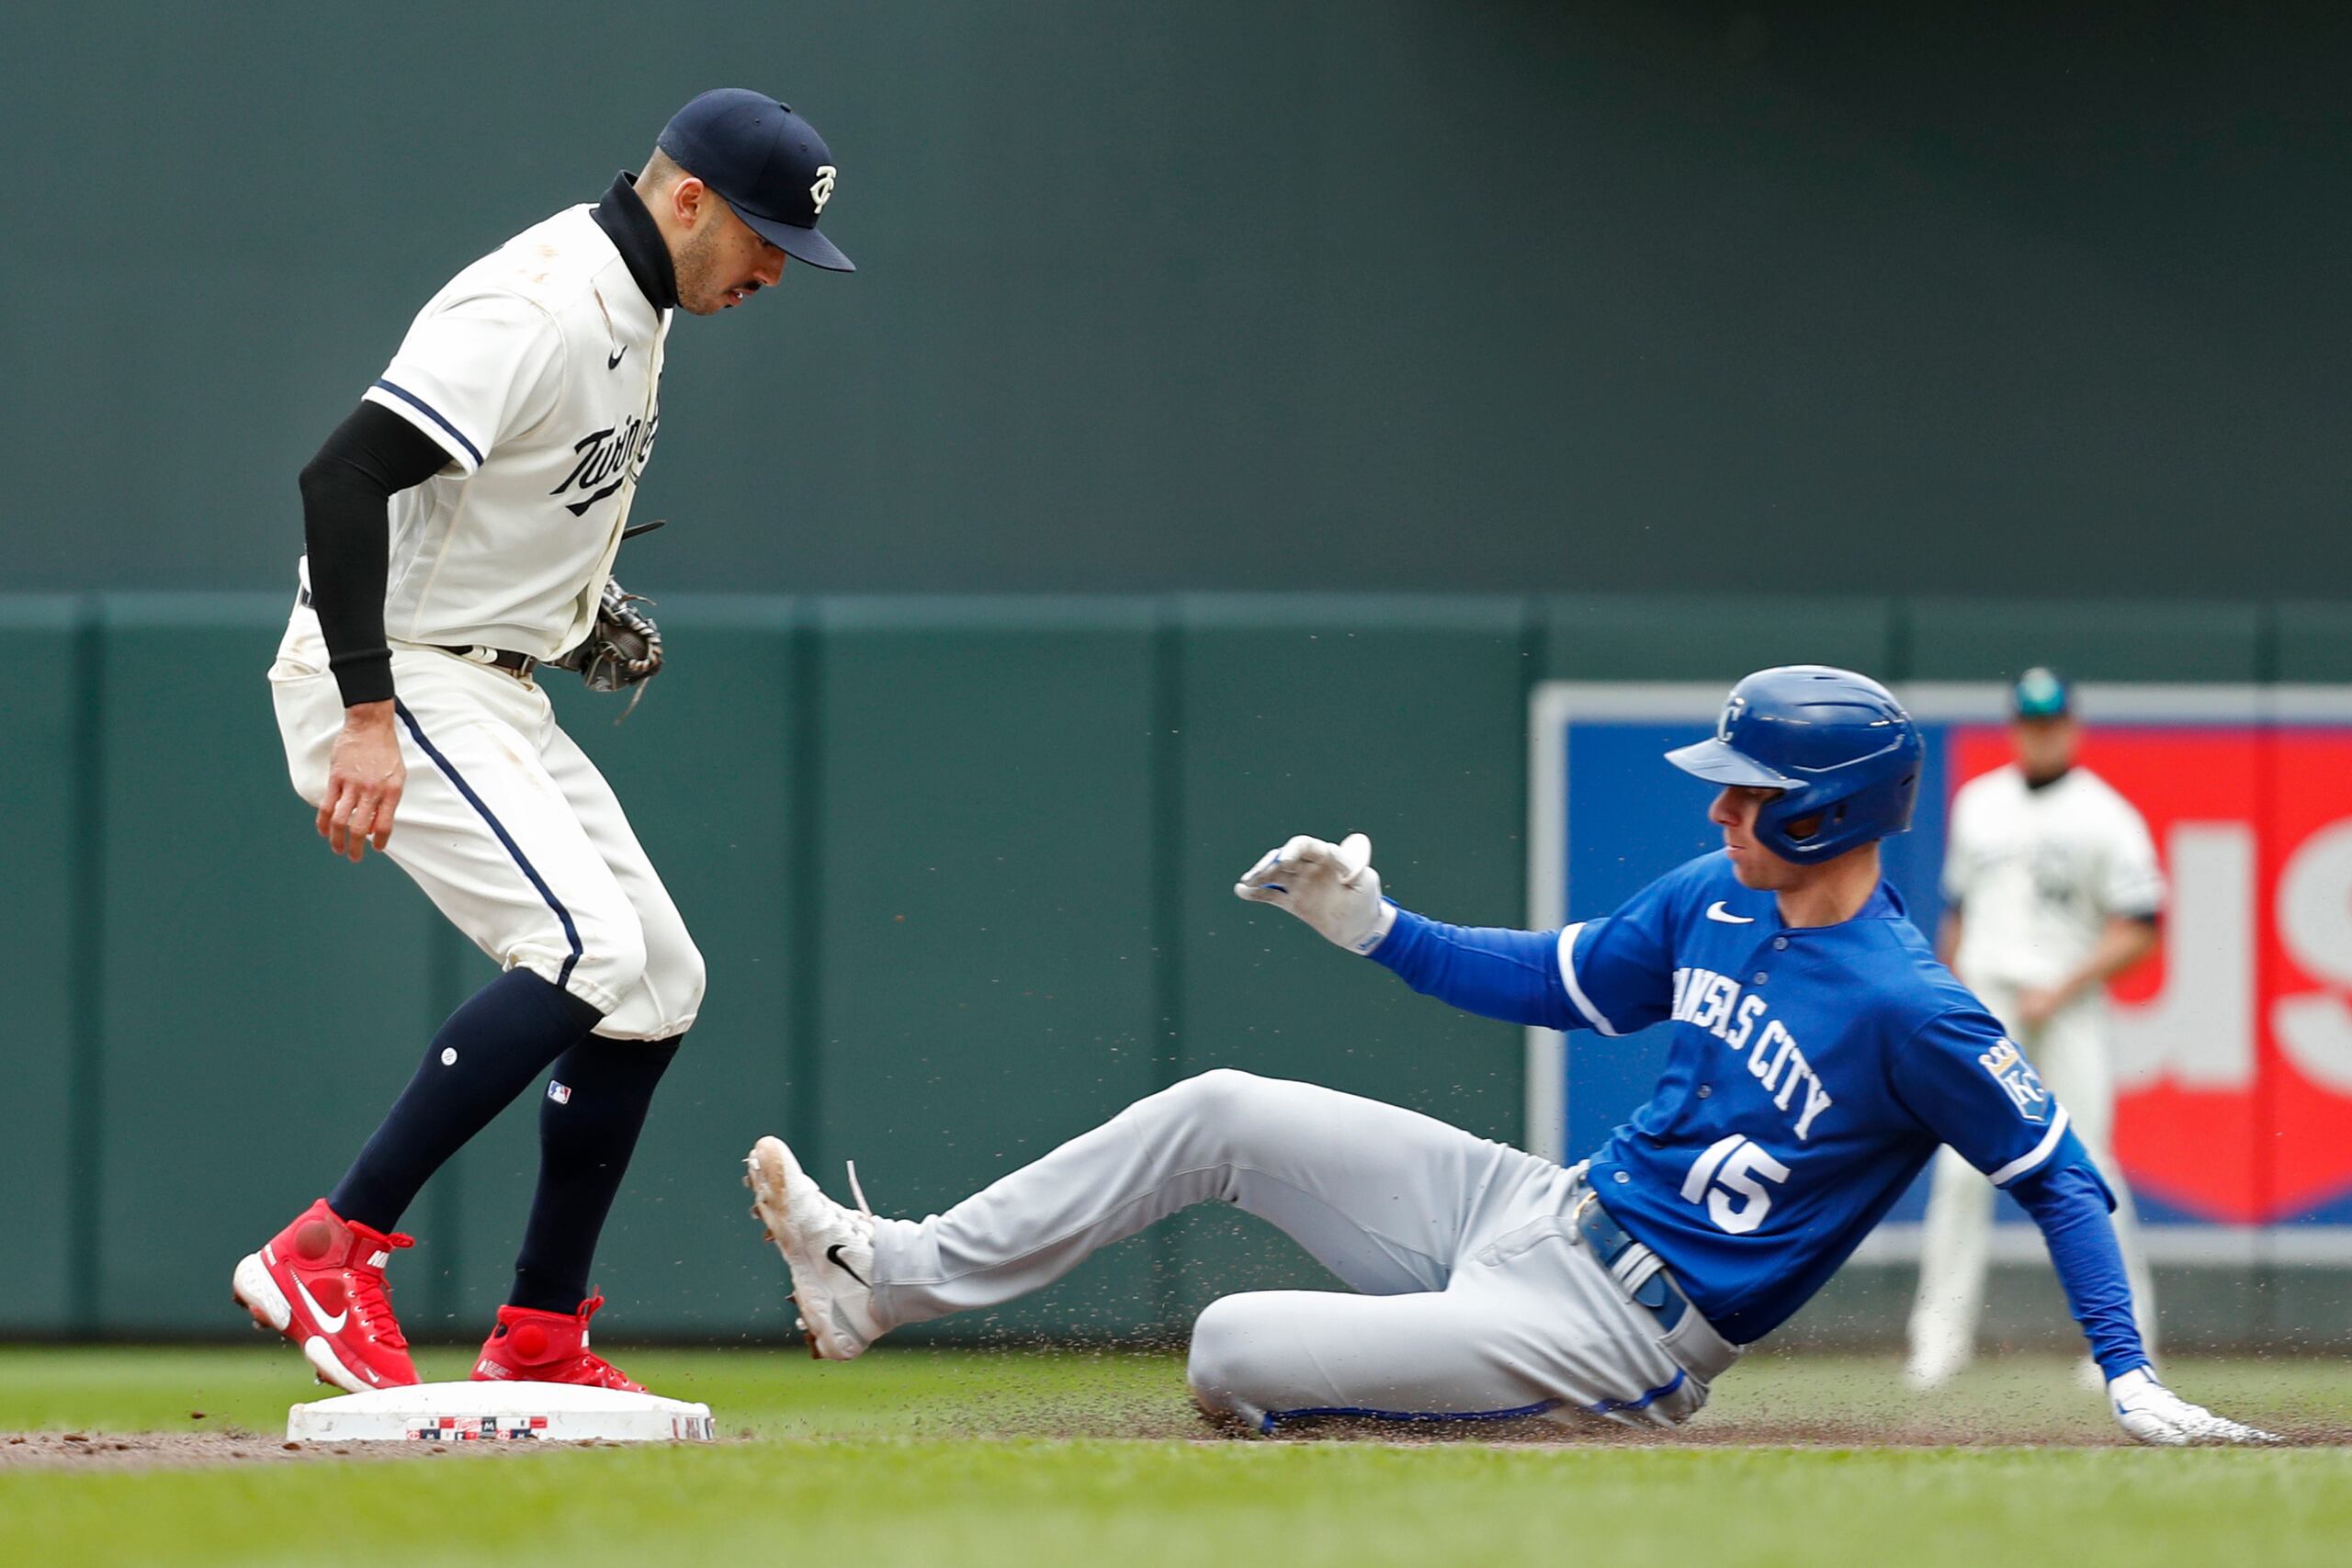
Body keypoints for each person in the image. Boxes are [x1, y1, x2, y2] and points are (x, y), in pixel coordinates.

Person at [742, 665, 2267, 1444]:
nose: (1718, 813)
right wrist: (1380, 927)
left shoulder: (1912, 1007)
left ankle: (1492, 1408)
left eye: (1746, 795)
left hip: (1620, 1340)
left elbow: (2062, 1177)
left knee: (1225, 1351)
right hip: (1532, 1210)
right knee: (1221, 1107)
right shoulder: (1708, 903)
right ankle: (892, 1272)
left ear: (1822, 812)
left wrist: (2126, 1373)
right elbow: (1549, 981)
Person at [234, 89, 854, 1394]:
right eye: (764, 243)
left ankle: (540, 1332)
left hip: (486, 674)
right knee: (582, 948)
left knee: (658, 978)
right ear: (687, 197)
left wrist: (560, 606)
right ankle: (326, 1248)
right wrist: (364, 713)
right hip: (394, 672)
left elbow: (493, 493)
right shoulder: (538, 302)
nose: (772, 275)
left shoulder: (644, 304)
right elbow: (338, 478)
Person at [1905, 667, 2164, 1390]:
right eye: (2028, 719)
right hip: (1987, 1002)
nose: (2040, 731)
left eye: (2051, 720)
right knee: (1960, 1174)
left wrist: (2069, 982)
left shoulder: (2106, 814)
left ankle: (2125, 1339)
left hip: (2067, 1000)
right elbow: (1957, 913)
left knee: (2091, 1167)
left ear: (2071, 726)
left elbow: (2141, 925)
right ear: (2015, 725)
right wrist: (1949, 993)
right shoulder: (1979, 803)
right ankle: (1938, 1340)